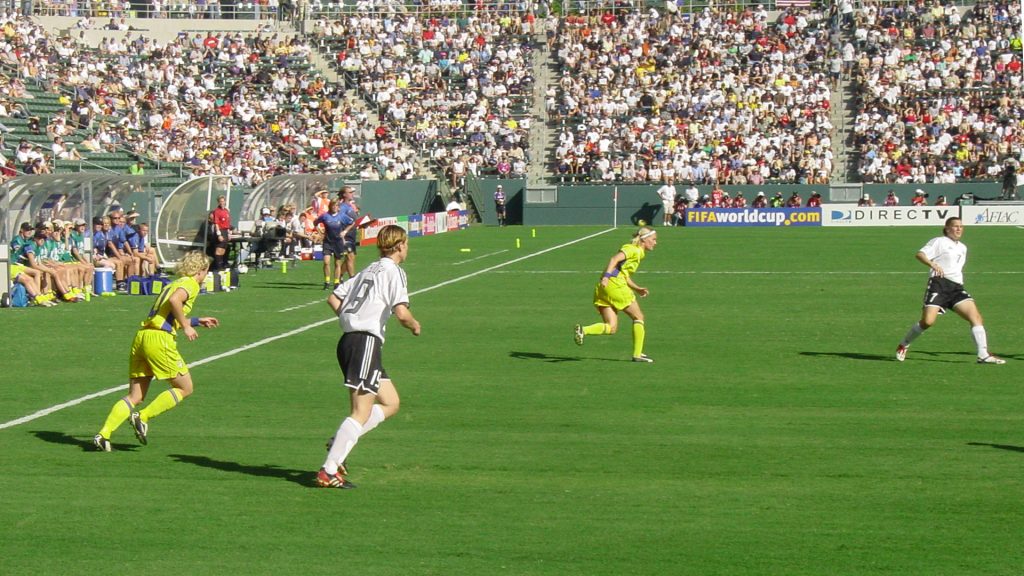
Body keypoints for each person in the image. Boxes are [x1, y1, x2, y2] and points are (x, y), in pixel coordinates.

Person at [318, 225, 421, 488]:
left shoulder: (369, 269)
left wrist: (350, 320)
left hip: (353, 341)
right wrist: (414, 325)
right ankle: (329, 470)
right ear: (399, 246)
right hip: (364, 341)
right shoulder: (393, 271)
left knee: (391, 402)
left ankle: (338, 442)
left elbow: (333, 298)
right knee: (360, 411)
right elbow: (401, 313)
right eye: (406, 244)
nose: (407, 249)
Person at [93, 251, 220, 451]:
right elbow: (174, 302)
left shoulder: (173, 283)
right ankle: (143, 416)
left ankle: (104, 434)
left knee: (135, 395)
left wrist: (195, 320)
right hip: (159, 340)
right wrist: (187, 326)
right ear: (201, 270)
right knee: (185, 388)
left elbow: (167, 313)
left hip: (143, 337)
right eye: (207, 272)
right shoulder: (190, 284)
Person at [895, 217, 1004, 365]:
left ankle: (983, 354)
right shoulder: (939, 241)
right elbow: (920, 254)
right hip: (939, 285)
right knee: (928, 321)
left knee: (976, 317)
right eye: (955, 226)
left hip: (956, 288)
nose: (959, 229)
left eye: (961, 226)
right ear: (947, 228)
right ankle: (904, 344)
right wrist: (932, 264)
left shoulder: (963, 247)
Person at [573, 226, 658, 363]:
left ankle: (583, 330)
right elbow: (614, 259)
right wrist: (607, 276)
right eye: (653, 239)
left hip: (603, 288)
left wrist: (637, 288)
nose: (655, 243)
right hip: (614, 286)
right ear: (645, 239)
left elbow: (623, 274)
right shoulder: (633, 249)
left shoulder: (638, 253)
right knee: (638, 317)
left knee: (611, 327)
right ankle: (637, 354)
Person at [315, 199, 353, 290]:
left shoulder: (341, 216)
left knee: (337, 263)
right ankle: (327, 282)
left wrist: (345, 231)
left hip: (338, 242)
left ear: (338, 207)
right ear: (330, 206)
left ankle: (336, 282)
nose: (335, 207)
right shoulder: (325, 216)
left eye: (336, 206)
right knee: (326, 262)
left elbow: (351, 223)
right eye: (333, 205)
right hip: (327, 242)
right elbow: (315, 222)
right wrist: (319, 231)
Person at [211, 195, 232, 270]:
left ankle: (221, 265)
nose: (222, 203)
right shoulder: (217, 211)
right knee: (219, 249)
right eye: (220, 201)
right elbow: (216, 223)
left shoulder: (226, 211)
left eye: (223, 201)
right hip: (220, 231)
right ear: (218, 202)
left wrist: (229, 233)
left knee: (223, 249)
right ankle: (218, 267)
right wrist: (219, 234)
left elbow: (228, 223)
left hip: (226, 231)